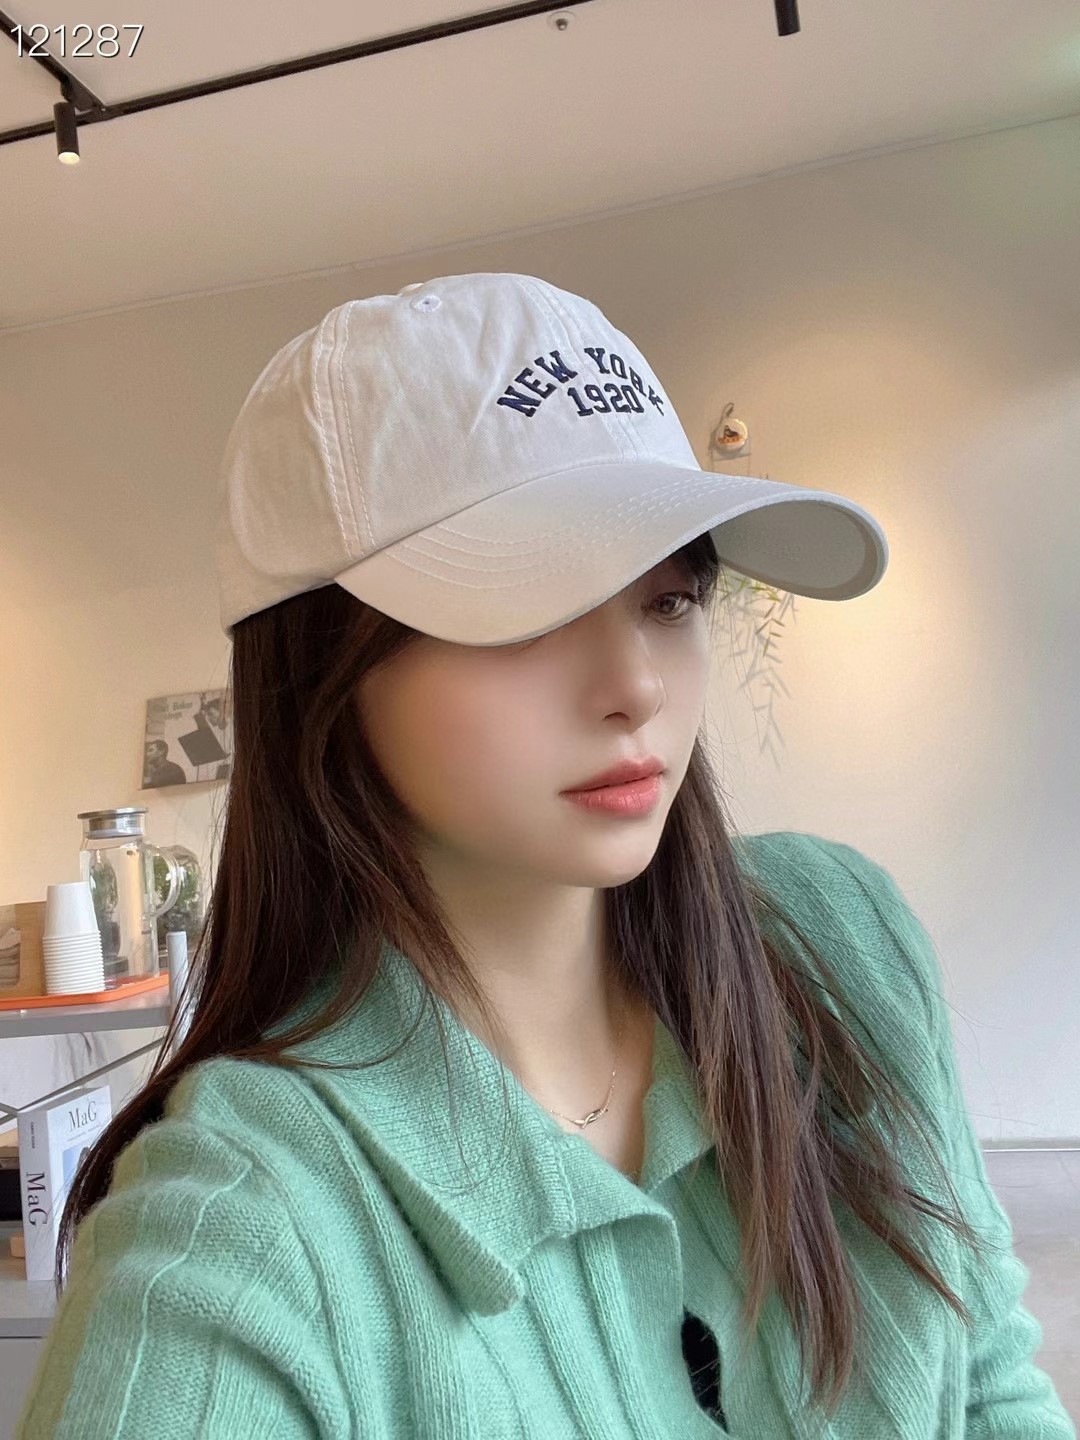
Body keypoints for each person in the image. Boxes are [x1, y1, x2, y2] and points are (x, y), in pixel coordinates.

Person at [17, 274, 1074, 1439]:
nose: (636, 688)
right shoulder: (237, 1228)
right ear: (321, 668)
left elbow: (987, 1382)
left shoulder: (840, 942)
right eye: (528, 612)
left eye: (670, 600)